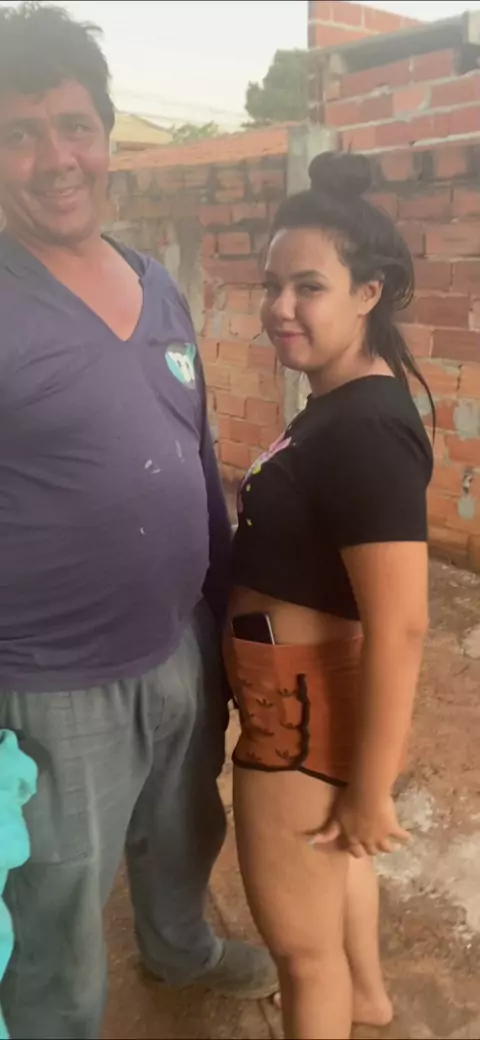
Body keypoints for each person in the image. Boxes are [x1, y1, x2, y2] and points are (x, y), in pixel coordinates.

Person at [0, 4, 277, 1039]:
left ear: (107, 137)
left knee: (183, 824)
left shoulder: (157, 283)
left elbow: (194, 449)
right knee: (59, 893)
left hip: (179, 647)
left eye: (74, 125)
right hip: (49, 679)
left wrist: (226, 607)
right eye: (19, 134)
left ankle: (179, 947)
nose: (54, 159)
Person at [224, 151, 433, 1040]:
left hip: (295, 720)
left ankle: (342, 1005)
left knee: (302, 957)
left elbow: (404, 624)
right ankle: (372, 1000)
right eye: (272, 285)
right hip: (308, 707)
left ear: (367, 294)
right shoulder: (341, 402)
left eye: (308, 287)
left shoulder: (368, 429)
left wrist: (373, 790)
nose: (281, 307)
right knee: (337, 864)